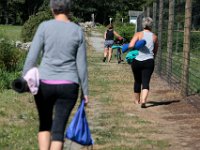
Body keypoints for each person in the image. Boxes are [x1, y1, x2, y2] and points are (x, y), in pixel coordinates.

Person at [22, 0, 89, 149]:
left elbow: (32, 57)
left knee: (44, 124)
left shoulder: (44, 27)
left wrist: (24, 78)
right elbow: (82, 65)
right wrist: (85, 91)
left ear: (52, 9)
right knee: (58, 130)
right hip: (69, 85)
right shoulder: (77, 31)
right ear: (69, 10)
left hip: (44, 84)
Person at [128, 17, 158, 108]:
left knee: (137, 81)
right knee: (146, 81)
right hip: (149, 61)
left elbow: (131, 46)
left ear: (143, 25)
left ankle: (137, 101)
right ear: (151, 25)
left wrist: (136, 47)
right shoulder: (154, 36)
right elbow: (155, 49)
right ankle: (143, 100)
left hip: (137, 61)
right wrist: (153, 58)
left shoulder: (138, 34)